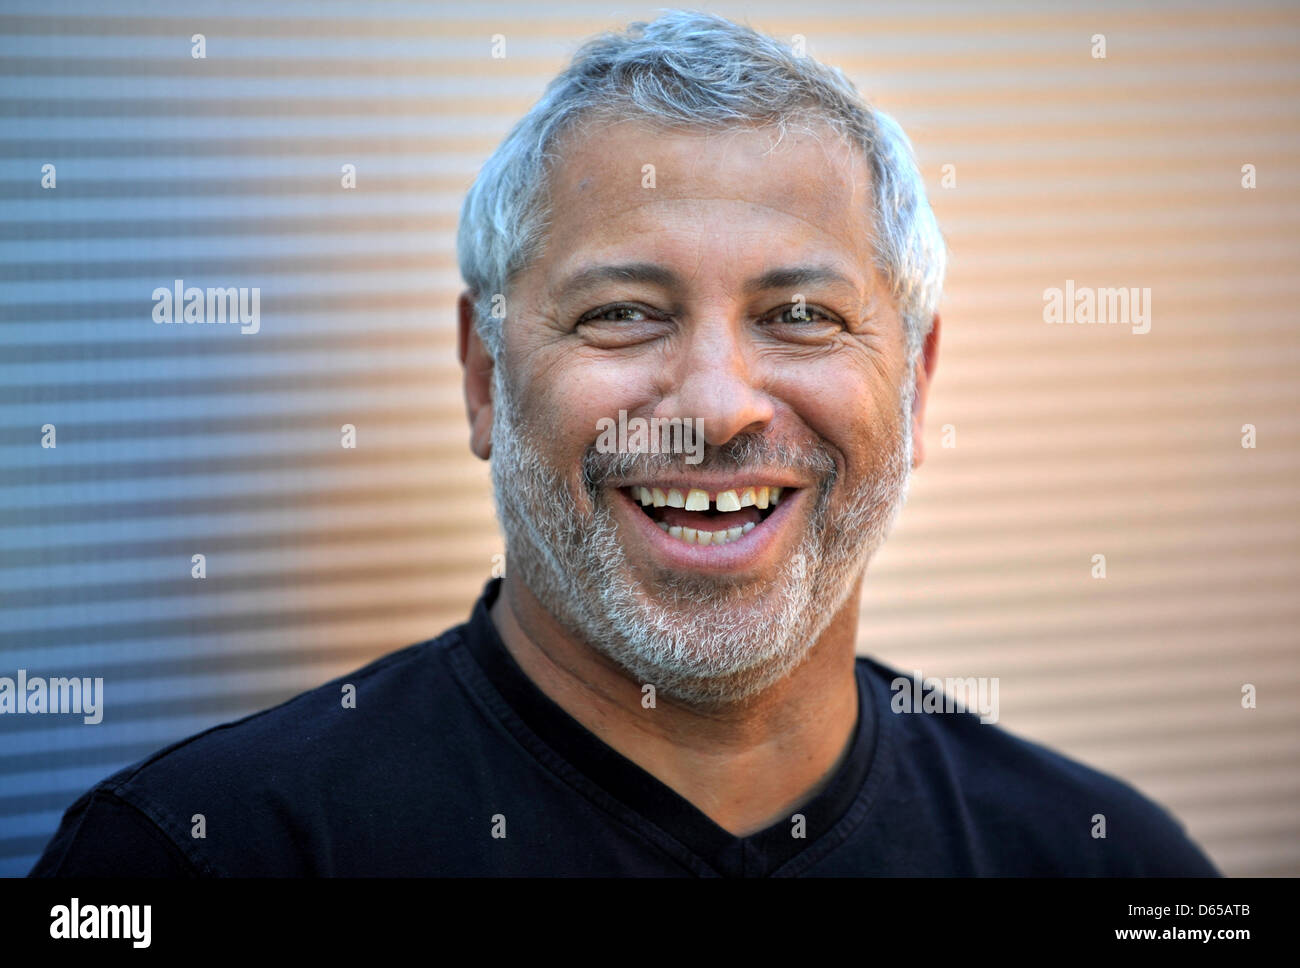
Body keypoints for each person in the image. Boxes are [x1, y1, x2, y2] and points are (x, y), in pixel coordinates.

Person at [30, 10, 1218, 877]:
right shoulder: (196, 858)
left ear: (913, 381)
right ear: (486, 375)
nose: (717, 404)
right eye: (621, 313)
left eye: (800, 315)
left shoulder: (1112, 865)